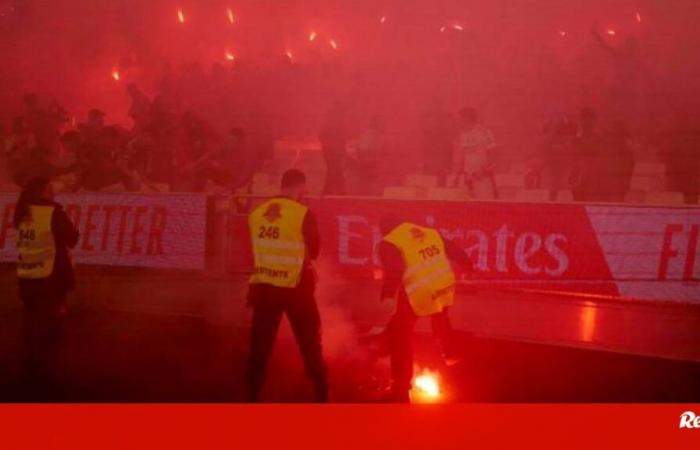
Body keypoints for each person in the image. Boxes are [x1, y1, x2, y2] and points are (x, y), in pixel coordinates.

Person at [246, 169, 328, 402]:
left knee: (260, 344)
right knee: (309, 341)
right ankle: (321, 392)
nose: (306, 192)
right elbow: (315, 250)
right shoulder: (302, 213)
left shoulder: (257, 213)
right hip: (296, 288)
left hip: (264, 286)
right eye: (305, 188)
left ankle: (252, 393)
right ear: (298, 185)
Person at [377, 215, 472, 402]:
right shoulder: (429, 233)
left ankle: (401, 387)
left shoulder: (388, 243)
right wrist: (467, 266)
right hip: (443, 284)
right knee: (439, 314)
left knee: (400, 333)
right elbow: (455, 250)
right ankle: (450, 352)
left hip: (418, 291)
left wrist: (387, 295)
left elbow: (394, 271)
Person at [13, 177, 79, 398]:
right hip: (52, 277)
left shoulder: (23, 212)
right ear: (43, 190)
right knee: (51, 329)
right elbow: (72, 238)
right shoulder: (53, 213)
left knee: (31, 327)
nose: (54, 190)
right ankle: (48, 382)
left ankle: (28, 374)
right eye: (50, 187)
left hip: (29, 275)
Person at [453, 107, 497, 199]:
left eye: (460, 119)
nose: (458, 122)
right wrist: (456, 177)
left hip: (482, 179)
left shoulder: (484, 132)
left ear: (467, 118)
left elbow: (493, 155)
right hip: (467, 180)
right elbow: (462, 159)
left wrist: (483, 171)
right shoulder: (462, 135)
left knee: (485, 209)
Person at [319, 103, 347, 195]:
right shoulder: (334, 126)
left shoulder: (330, 125)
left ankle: (331, 194)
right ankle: (338, 194)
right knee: (334, 172)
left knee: (333, 173)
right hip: (332, 153)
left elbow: (322, 138)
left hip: (330, 153)